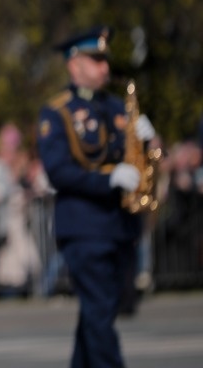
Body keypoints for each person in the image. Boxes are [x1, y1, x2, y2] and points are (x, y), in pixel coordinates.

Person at [36, 26, 155, 368]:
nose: (105, 67)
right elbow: (58, 171)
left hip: (120, 225)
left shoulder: (118, 107)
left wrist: (149, 144)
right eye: (96, 60)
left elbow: (140, 159)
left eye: (105, 60)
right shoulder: (56, 112)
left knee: (98, 312)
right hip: (85, 227)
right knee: (100, 313)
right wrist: (108, 178)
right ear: (75, 65)